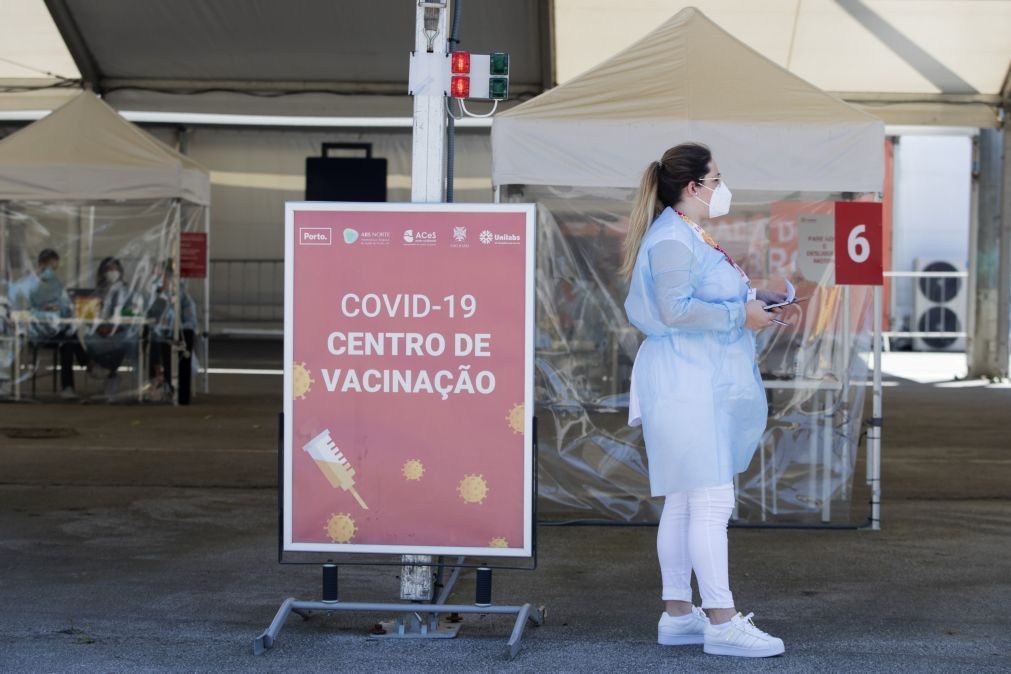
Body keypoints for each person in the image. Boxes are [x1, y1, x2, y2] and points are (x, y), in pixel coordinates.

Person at [621, 143, 787, 658]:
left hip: (690, 379)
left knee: (686, 497)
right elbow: (675, 309)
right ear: (694, 187)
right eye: (717, 178)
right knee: (711, 499)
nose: (722, 187)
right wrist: (743, 315)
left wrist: (751, 301)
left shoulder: (685, 234)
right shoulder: (673, 238)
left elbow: (693, 300)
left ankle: (679, 616)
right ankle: (722, 620)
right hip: (687, 382)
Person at [17, 249, 85, 399]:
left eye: (54, 268)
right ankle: (88, 364)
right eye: (49, 267)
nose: (51, 272)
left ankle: (68, 387)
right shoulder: (27, 285)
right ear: (40, 265)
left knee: (68, 340)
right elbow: (23, 312)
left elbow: (66, 309)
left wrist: (64, 308)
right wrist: (42, 310)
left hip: (55, 331)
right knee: (69, 338)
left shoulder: (57, 285)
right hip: (37, 333)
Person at [84, 256, 135, 399]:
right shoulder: (96, 292)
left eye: (114, 269)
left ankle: (107, 370)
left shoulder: (127, 292)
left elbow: (131, 314)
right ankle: (111, 373)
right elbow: (89, 316)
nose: (112, 272)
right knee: (89, 338)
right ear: (102, 272)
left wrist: (116, 328)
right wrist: (100, 328)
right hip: (99, 331)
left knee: (121, 341)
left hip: (119, 331)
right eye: (108, 269)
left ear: (120, 271)